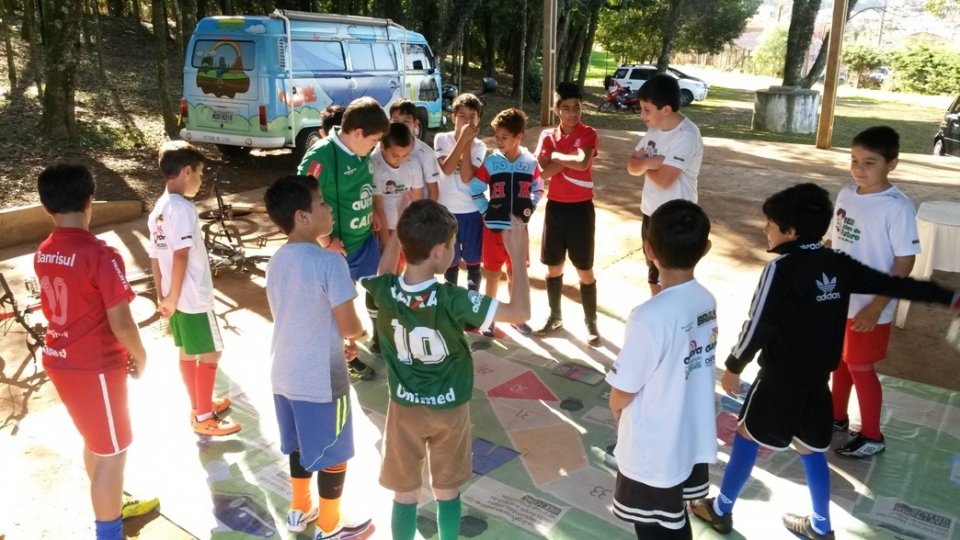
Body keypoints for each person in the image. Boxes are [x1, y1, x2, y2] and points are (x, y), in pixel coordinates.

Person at [690, 183, 960, 540]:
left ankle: (720, 510)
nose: (764, 229)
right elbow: (894, 283)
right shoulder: (837, 263)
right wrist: (949, 296)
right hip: (819, 381)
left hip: (780, 379)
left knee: (746, 435)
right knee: (811, 449)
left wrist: (734, 364)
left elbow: (759, 323)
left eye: (769, 224)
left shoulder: (781, 268)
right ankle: (821, 527)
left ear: (789, 232)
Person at [360, 200, 530, 540]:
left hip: (404, 409)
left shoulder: (386, 291)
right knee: (447, 490)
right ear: (439, 252)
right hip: (449, 410)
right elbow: (520, 311)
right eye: (453, 245)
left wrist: (400, 232)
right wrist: (518, 256)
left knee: (404, 493)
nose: (455, 250)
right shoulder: (453, 298)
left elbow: (384, 272)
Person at [34, 164, 157, 539]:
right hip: (95, 367)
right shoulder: (101, 254)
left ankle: (113, 502)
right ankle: (109, 530)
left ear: (45, 208)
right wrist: (142, 356)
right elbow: (121, 321)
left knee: (97, 442)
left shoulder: (44, 251)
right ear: (91, 201)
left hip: (61, 360)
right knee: (113, 452)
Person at [263, 176, 373, 540]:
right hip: (321, 379)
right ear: (302, 216)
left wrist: (332, 335)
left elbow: (295, 314)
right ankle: (329, 525)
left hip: (283, 372)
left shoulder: (277, 260)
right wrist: (358, 334)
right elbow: (350, 326)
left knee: (298, 444)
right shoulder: (330, 263)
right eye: (322, 202)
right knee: (333, 449)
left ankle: (299, 508)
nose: (328, 208)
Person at [607, 199, 717, 540]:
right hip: (688, 434)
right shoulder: (706, 299)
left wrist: (615, 410)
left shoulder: (648, 316)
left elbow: (623, 390)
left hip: (653, 449)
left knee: (655, 526)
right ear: (706, 248)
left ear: (648, 249)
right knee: (672, 520)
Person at [828, 126, 919, 458]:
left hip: (870, 306)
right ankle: (836, 418)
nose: (859, 168)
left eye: (870, 162)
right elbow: (832, 241)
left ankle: (871, 435)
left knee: (861, 367)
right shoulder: (846, 194)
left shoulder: (897, 207)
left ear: (891, 164)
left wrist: (877, 306)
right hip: (840, 300)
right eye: (854, 160)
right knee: (839, 361)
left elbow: (905, 261)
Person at [148, 141, 240, 436]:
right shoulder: (183, 208)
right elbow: (181, 254)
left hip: (174, 297)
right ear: (187, 171)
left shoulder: (158, 210)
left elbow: (154, 256)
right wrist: (174, 296)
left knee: (189, 353)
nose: (200, 181)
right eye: (199, 173)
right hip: (192, 297)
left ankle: (199, 405)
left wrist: (162, 295)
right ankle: (203, 417)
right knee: (212, 354)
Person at [298, 96, 390, 379]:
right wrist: (326, 241)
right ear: (358, 133)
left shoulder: (361, 151)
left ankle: (378, 338)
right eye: (373, 140)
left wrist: (373, 211)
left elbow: (366, 186)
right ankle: (345, 358)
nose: (375, 147)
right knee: (338, 308)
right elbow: (301, 201)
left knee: (377, 290)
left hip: (365, 240)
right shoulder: (321, 156)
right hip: (339, 249)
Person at [533, 81, 603, 346]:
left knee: (584, 269)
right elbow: (543, 172)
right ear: (556, 110)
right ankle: (555, 316)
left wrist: (558, 158)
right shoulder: (547, 136)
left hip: (581, 210)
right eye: (566, 109)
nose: (573, 114)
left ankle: (591, 322)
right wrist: (568, 158)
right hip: (556, 208)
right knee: (554, 267)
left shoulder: (588, 133)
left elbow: (583, 162)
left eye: (577, 108)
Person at [626, 74, 703, 297]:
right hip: (651, 212)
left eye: (647, 110)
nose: (642, 115)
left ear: (666, 109)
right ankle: (656, 310)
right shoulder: (655, 129)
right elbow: (631, 165)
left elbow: (664, 180)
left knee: (673, 276)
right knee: (653, 270)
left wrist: (644, 165)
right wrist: (653, 162)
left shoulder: (686, 135)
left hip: (676, 218)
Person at [469, 107, 543, 337]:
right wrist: (486, 212)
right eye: (497, 137)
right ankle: (490, 320)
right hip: (493, 231)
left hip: (518, 231)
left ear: (519, 137)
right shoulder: (491, 162)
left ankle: (516, 317)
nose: (498, 141)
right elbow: (475, 189)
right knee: (492, 274)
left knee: (516, 274)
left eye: (504, 137)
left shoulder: (531, 162)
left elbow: (538, 188)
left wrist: (529, 209)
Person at [434, 93, 487, 292]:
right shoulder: (441, 138)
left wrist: (467, 143)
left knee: (474, 260)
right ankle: (451, 300)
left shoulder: (480, 146)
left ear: (478, 120)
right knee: (451, 260)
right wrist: (462, 140)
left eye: (472, 116)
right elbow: (447, 169)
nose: (467, 120)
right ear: (454, 117)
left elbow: (466, 177)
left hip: (472, 211)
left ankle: (473, 301)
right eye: (462, 115)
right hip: (446, 212)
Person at [372, 123, 423, 271]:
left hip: (405, 229)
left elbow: (417, 201)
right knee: (384, 274)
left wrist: (414, 232)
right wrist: (387, 243)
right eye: (395, 155)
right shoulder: (375, 164)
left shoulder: (413, 164)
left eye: (405, 155)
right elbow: (378, 207)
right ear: (382, 146)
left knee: (401, 272)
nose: (400, 160)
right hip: (384, 229)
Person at [389, 98, 440, 201]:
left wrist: (424, 216)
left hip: (416, 213)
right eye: (396, 121)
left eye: (406, 121)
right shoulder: (381, 149)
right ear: (390, 121)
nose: (400, 125)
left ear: (416, 123)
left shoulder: (427, 154)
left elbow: (433, 192)